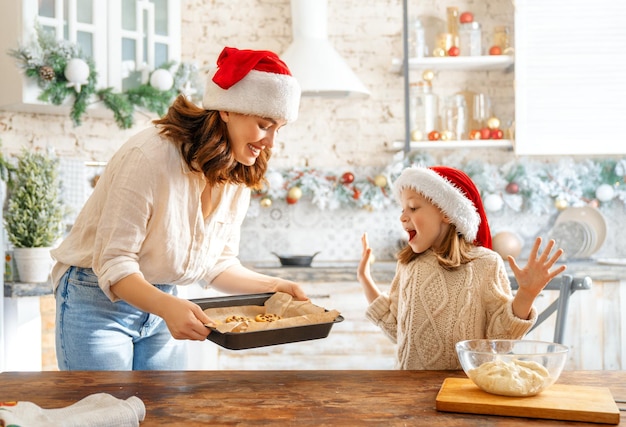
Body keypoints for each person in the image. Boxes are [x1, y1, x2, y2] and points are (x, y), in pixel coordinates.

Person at [51, 46, 306, 371]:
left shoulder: (237, 171)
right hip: (96, 299)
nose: (271, 142)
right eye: (264, 124)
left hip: (163, 298)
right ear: (226, 110)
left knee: (162, 415)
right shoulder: (150, 157)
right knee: (104, 415)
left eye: (278, 129)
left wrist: (275, 287)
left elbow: (216, 265)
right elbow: (114, 263)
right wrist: (168, 307)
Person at [357, 165, 566, 370]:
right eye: (402, 209)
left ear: (447, 213)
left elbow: (500, 339)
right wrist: (364, 278)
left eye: (413, 207)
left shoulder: (485, 263)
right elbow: (396, 330)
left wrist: (527, 294)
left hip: (466, 388)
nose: (403, 217)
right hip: (408, 389)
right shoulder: (408, 265)